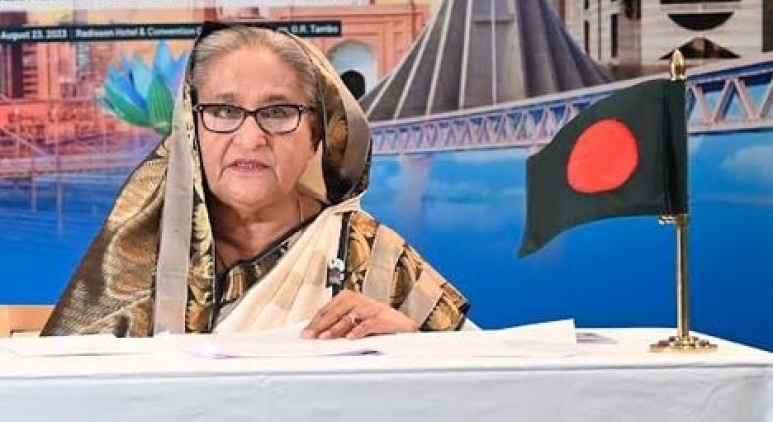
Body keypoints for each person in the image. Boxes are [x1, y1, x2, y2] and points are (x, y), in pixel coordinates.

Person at [43, 23, 470, 337]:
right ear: (191, 131)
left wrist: (410, 346)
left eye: (278, 112)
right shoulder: (137, 254)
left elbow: (485, 389)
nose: (250, 139)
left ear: (317, 136)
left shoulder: (373, 254)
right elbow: (65, 396)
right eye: (224, 111)